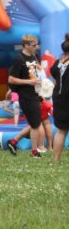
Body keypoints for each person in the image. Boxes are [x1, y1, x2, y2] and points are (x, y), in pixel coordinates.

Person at [7, 35, 43, 157]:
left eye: (37, 44)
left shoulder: (35, 56)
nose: (36, 47)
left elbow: (37, 73)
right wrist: (28, 82)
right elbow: (11, 79)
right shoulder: (19, 59)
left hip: (35, 93)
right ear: (26, 45)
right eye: (34, 45)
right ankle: (34, 151)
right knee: (35, 124)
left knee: (36, 122)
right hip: (26, 95)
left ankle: (13, 141)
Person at [51, 34, 69, 163]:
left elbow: (55, 78)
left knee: (61, 131)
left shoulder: (58, 63)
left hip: (58, 98)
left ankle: (56, 160)